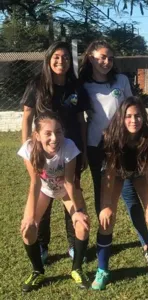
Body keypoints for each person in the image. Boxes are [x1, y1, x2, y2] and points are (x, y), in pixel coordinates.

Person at [79, 40, 148, 262]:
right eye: (102, 57)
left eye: (110, 58)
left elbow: (131, 108)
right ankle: (103, 246)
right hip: (96, 148)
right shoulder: (83, 84)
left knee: (130, 195)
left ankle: (147, 243)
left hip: (122, 145)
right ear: (91, 57)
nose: (106, 62)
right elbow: (80, 119)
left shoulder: (121, 80)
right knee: (104, 198)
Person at [92, 96, 148, 290]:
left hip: (140, 173)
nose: (133, 120)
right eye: (128, 116)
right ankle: (102, 270)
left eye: (137, 116)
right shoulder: (111, 136)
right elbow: (109, 175)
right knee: (107, 219)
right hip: (117, 174)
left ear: (143, 117)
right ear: (121, 118)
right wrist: (105, 206)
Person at [21, 41, 89, 263]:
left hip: (70, 151)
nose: (61, 61)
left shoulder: (76, 86)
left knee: (71, 190)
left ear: (71, 61)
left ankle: (73, 243)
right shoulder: (37, 84)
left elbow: (81, 120)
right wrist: (28, 149)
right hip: (44, 150)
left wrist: (85, 151)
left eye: (66, 57)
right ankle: (42, 245)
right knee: (45, 194)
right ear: (49, 59)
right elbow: (27, 117)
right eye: (57, 57)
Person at [18, 112, 90, 292]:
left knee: (82, 225)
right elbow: (34, 184)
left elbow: (69, 182)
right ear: (37, 135)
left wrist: (79, 210)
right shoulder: (29, 148)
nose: (54, 138)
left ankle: (77, 269)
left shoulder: (69, 146)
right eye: (48, 133)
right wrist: (29, 217)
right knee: (28, 230)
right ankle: (37, 271)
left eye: (58, 132)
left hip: (65, 190)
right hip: (43, 190)